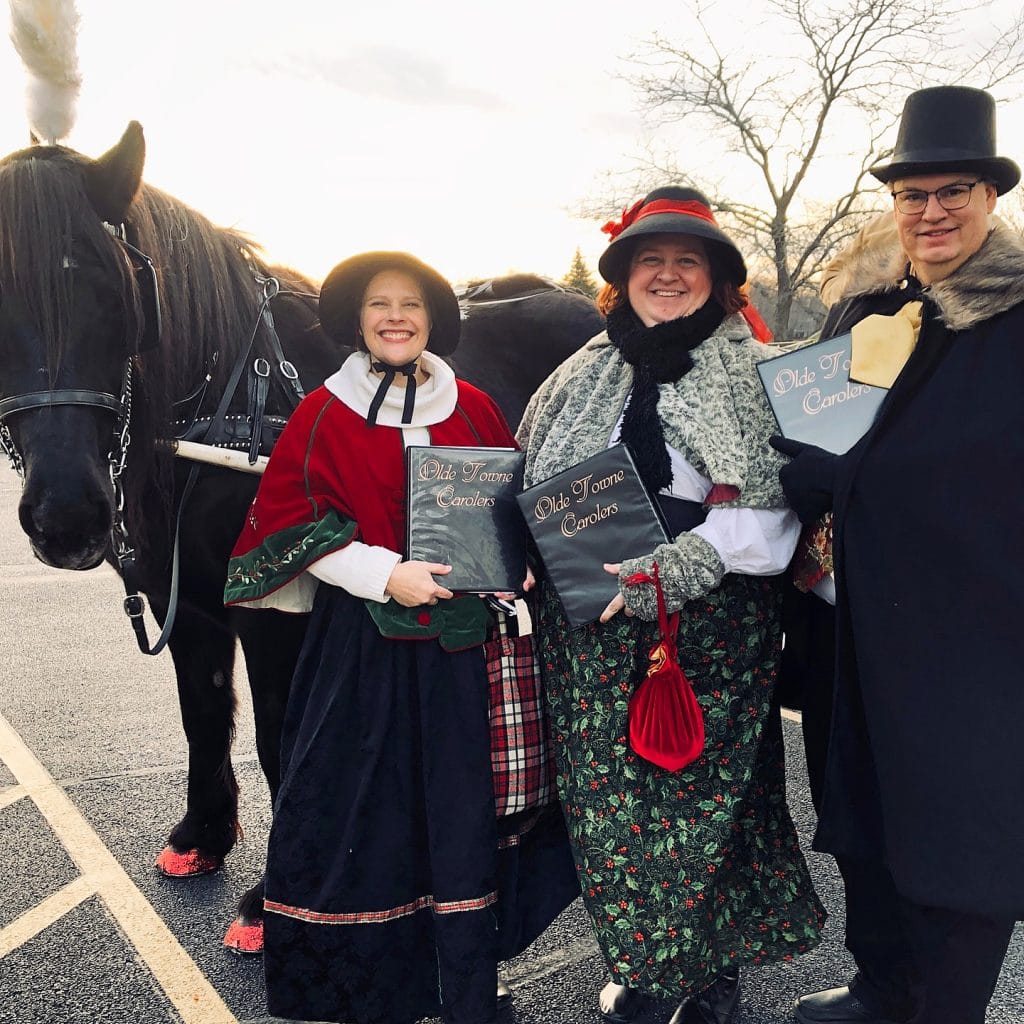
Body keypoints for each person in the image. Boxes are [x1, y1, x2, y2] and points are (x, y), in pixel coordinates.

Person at [224, 251, 578, 1024]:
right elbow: (289, 526)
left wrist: (513, 566)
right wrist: (384, 573)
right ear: (358, 319)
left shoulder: (473, 405)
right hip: (364, 656)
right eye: (380, 304)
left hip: (461, 656)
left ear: (430, 319)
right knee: (366, 822)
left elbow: (504, 505)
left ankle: (466, 991)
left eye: (409, 305)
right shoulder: (323, 412)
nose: (395, 317)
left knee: (460, 825)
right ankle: (374, 996)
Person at [516, 186, 826, 1024]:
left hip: (712, 636)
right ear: (623, 278)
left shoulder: (757, 372)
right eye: (649, 261)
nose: (667, 275)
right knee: (615, 826)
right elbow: (525, 482)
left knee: (701, 814)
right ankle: (647, 964)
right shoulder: (578, 375)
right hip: (591, 642)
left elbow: (774, 517)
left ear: (718, 280)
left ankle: (698, 979)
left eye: (686, 261)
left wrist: (670, 572)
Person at [773, 85, 1024, 1024]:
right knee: (860, 819)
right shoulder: (867, 307)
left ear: (992, 197)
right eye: (912, 194)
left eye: (953, 190)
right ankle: (884, 987)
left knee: (960, 834)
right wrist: (802, 479)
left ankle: (945, 1009)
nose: (931, 212)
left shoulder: (1018, 318)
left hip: (972, 633)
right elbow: (811, 437)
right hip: (851, 620)